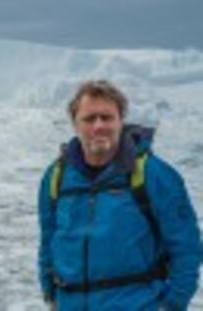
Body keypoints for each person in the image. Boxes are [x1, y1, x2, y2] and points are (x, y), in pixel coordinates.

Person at [37, 80, 202, 311]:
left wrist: (173, 305)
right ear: (75, 124)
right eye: (89, 118)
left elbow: (186, 247)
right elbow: (48, 241)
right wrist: (49, 295)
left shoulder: (154, 175)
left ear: (120, 121)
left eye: (107, 117)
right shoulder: (56, 176)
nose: (99, 126)